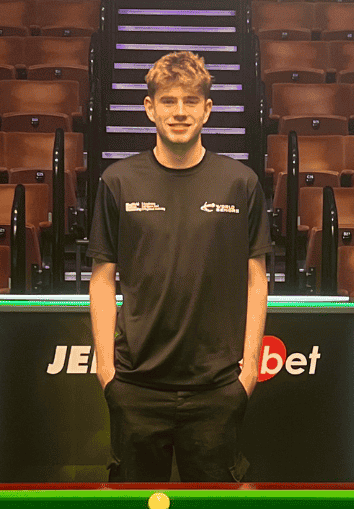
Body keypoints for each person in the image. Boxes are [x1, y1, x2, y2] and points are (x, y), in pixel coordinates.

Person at [87, 50, 272, 482]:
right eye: (168, 100)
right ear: (149, 108)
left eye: (191, 101)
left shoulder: (241, 183)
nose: (180, 112)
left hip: (217, 389)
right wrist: (106, 371)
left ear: (207, 109)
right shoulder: (117, 181)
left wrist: (248, 370)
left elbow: (256, 281)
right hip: (135, 387)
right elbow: (102, 280)